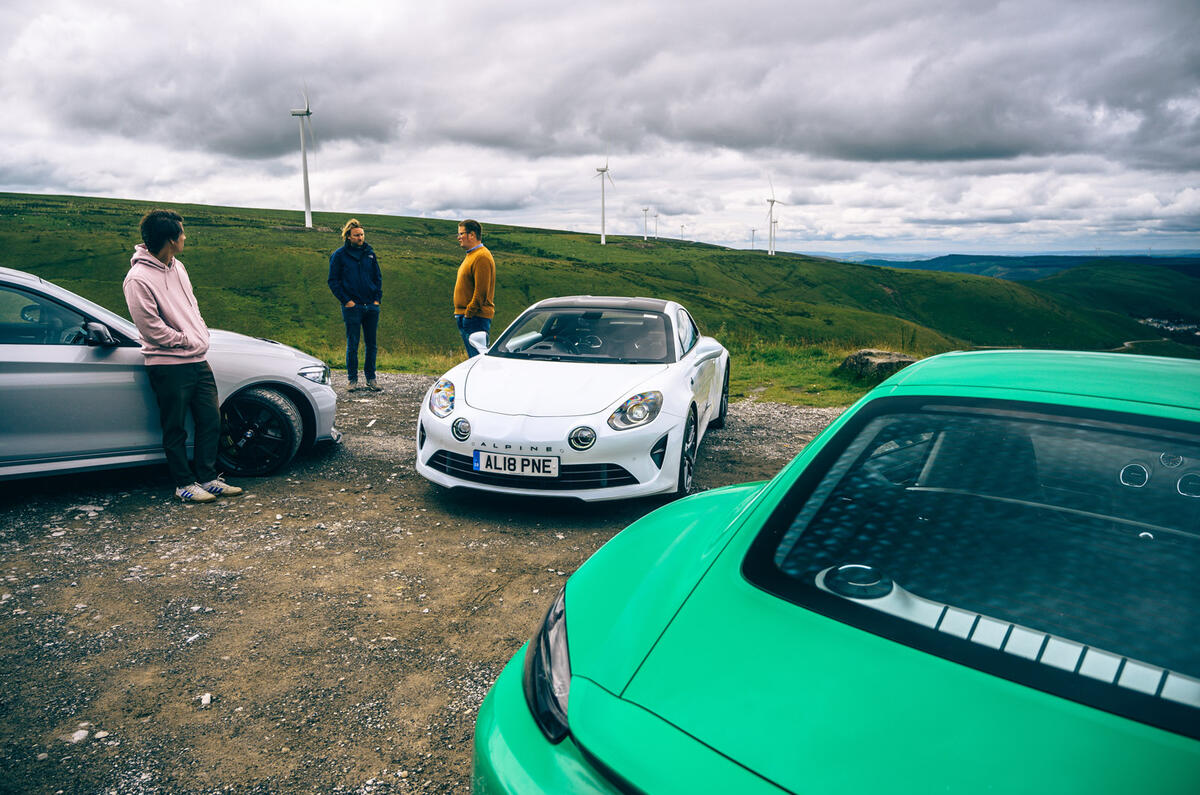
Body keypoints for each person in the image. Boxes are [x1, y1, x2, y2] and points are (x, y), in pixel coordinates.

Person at [123, 209, 242, 503]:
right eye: (182, 233)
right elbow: (151, 329)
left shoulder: (179, 267)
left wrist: (200, 333)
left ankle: (208, 478)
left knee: (210, 420)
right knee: (174, 427)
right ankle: (183, 484)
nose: (185, 237)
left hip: (198, 360)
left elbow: (192, 305)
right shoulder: (137, 279)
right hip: (168, 365)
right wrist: (187, 340)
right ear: (171, 240)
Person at [327, 219, 383, 390]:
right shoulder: (339, 255)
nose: (360, 238)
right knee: (353, 344)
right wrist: (347, 301)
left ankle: (371, 379)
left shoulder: (370, 253)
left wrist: (376, 300)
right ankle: (352, 380)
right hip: (353, 307)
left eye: (362, 234)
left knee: (371, 344)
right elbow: (333, 281)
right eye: (357, 235)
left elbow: (377, 277)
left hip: (371, 306)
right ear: (348, 237)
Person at [453, 219, 495, 357]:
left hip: (475, 317)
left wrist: (469, 314)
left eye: (461, 234)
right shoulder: (472, 255)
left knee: (478, 360)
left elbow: (481, 292)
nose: (458, 237)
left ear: (472, 235)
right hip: (469, 316)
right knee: (474, 359)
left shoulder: (481, 256)